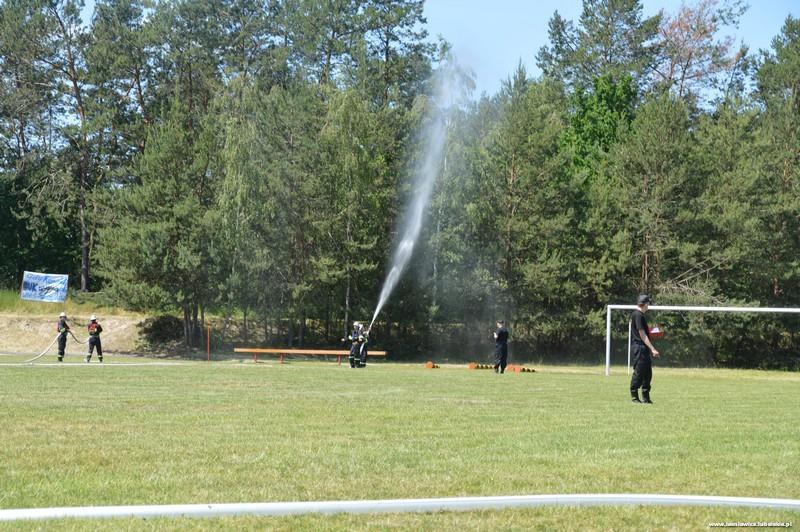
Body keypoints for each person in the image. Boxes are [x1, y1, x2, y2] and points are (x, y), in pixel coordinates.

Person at [630, 294, 660, 404]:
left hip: (643, 347)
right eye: (648, 303)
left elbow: (644, 332)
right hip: (639, 348)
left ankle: (646, 397)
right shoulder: (637, 315)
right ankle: (634, 396)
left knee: (648, 373)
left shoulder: (640, 315)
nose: (649, 306)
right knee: (639, 372)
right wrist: (652, 348)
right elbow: (642, 335)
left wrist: (653, 331)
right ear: (645, 304)